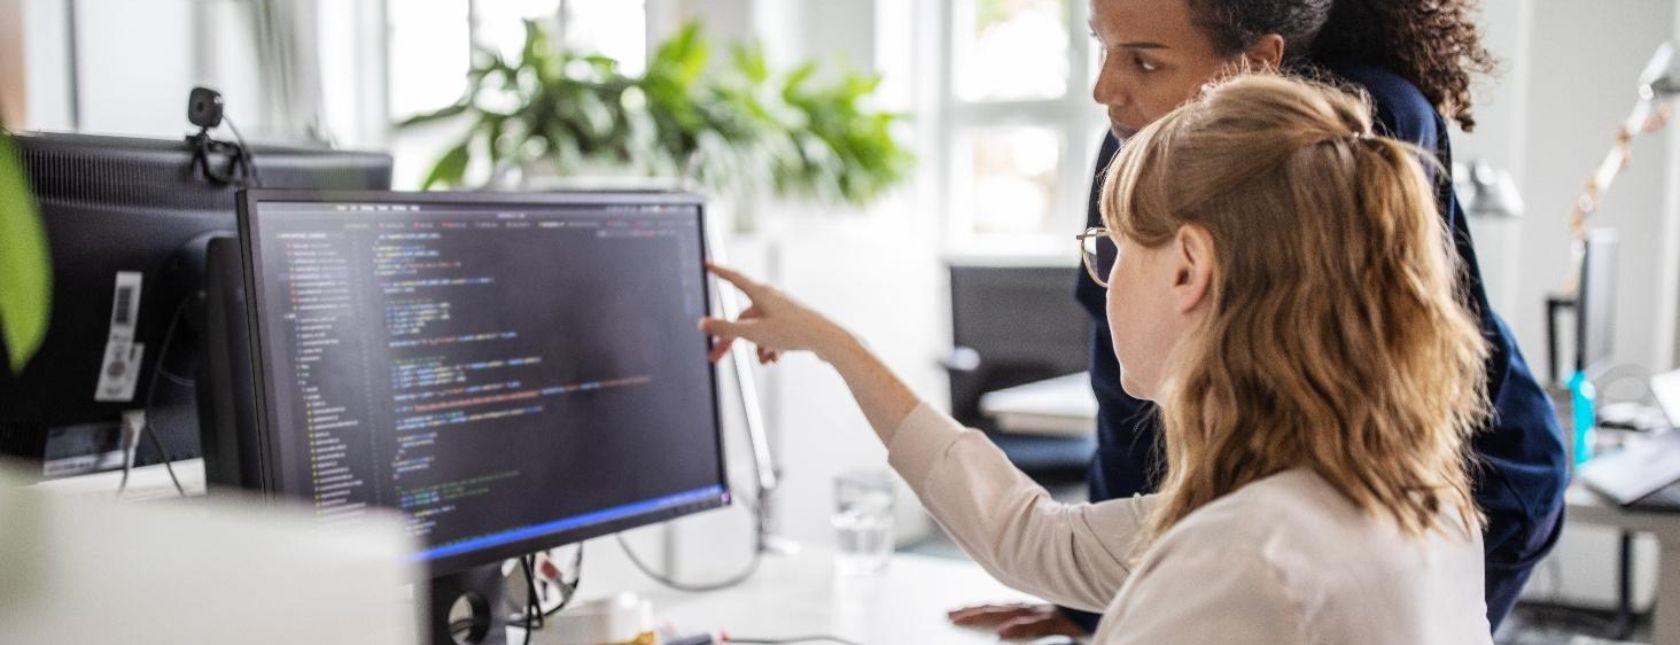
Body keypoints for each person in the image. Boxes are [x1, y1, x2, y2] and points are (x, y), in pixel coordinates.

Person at [701, 74, 1495, 644]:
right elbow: (1033, 536)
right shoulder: (1416, 501)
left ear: (1187, 268)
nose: (1101, 282)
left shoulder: (1241, 558)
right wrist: (839, 347)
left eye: (1112, 250)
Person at [951, 0, 1567, 637]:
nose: (1105, 89)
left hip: (1472, 480)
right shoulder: (1130, 146)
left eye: (1145, 62)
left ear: (1258, 61)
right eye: (1103, 48)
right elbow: (1125, 397)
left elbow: (1369, 376)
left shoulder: (1353, 131)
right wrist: (1093, 602)